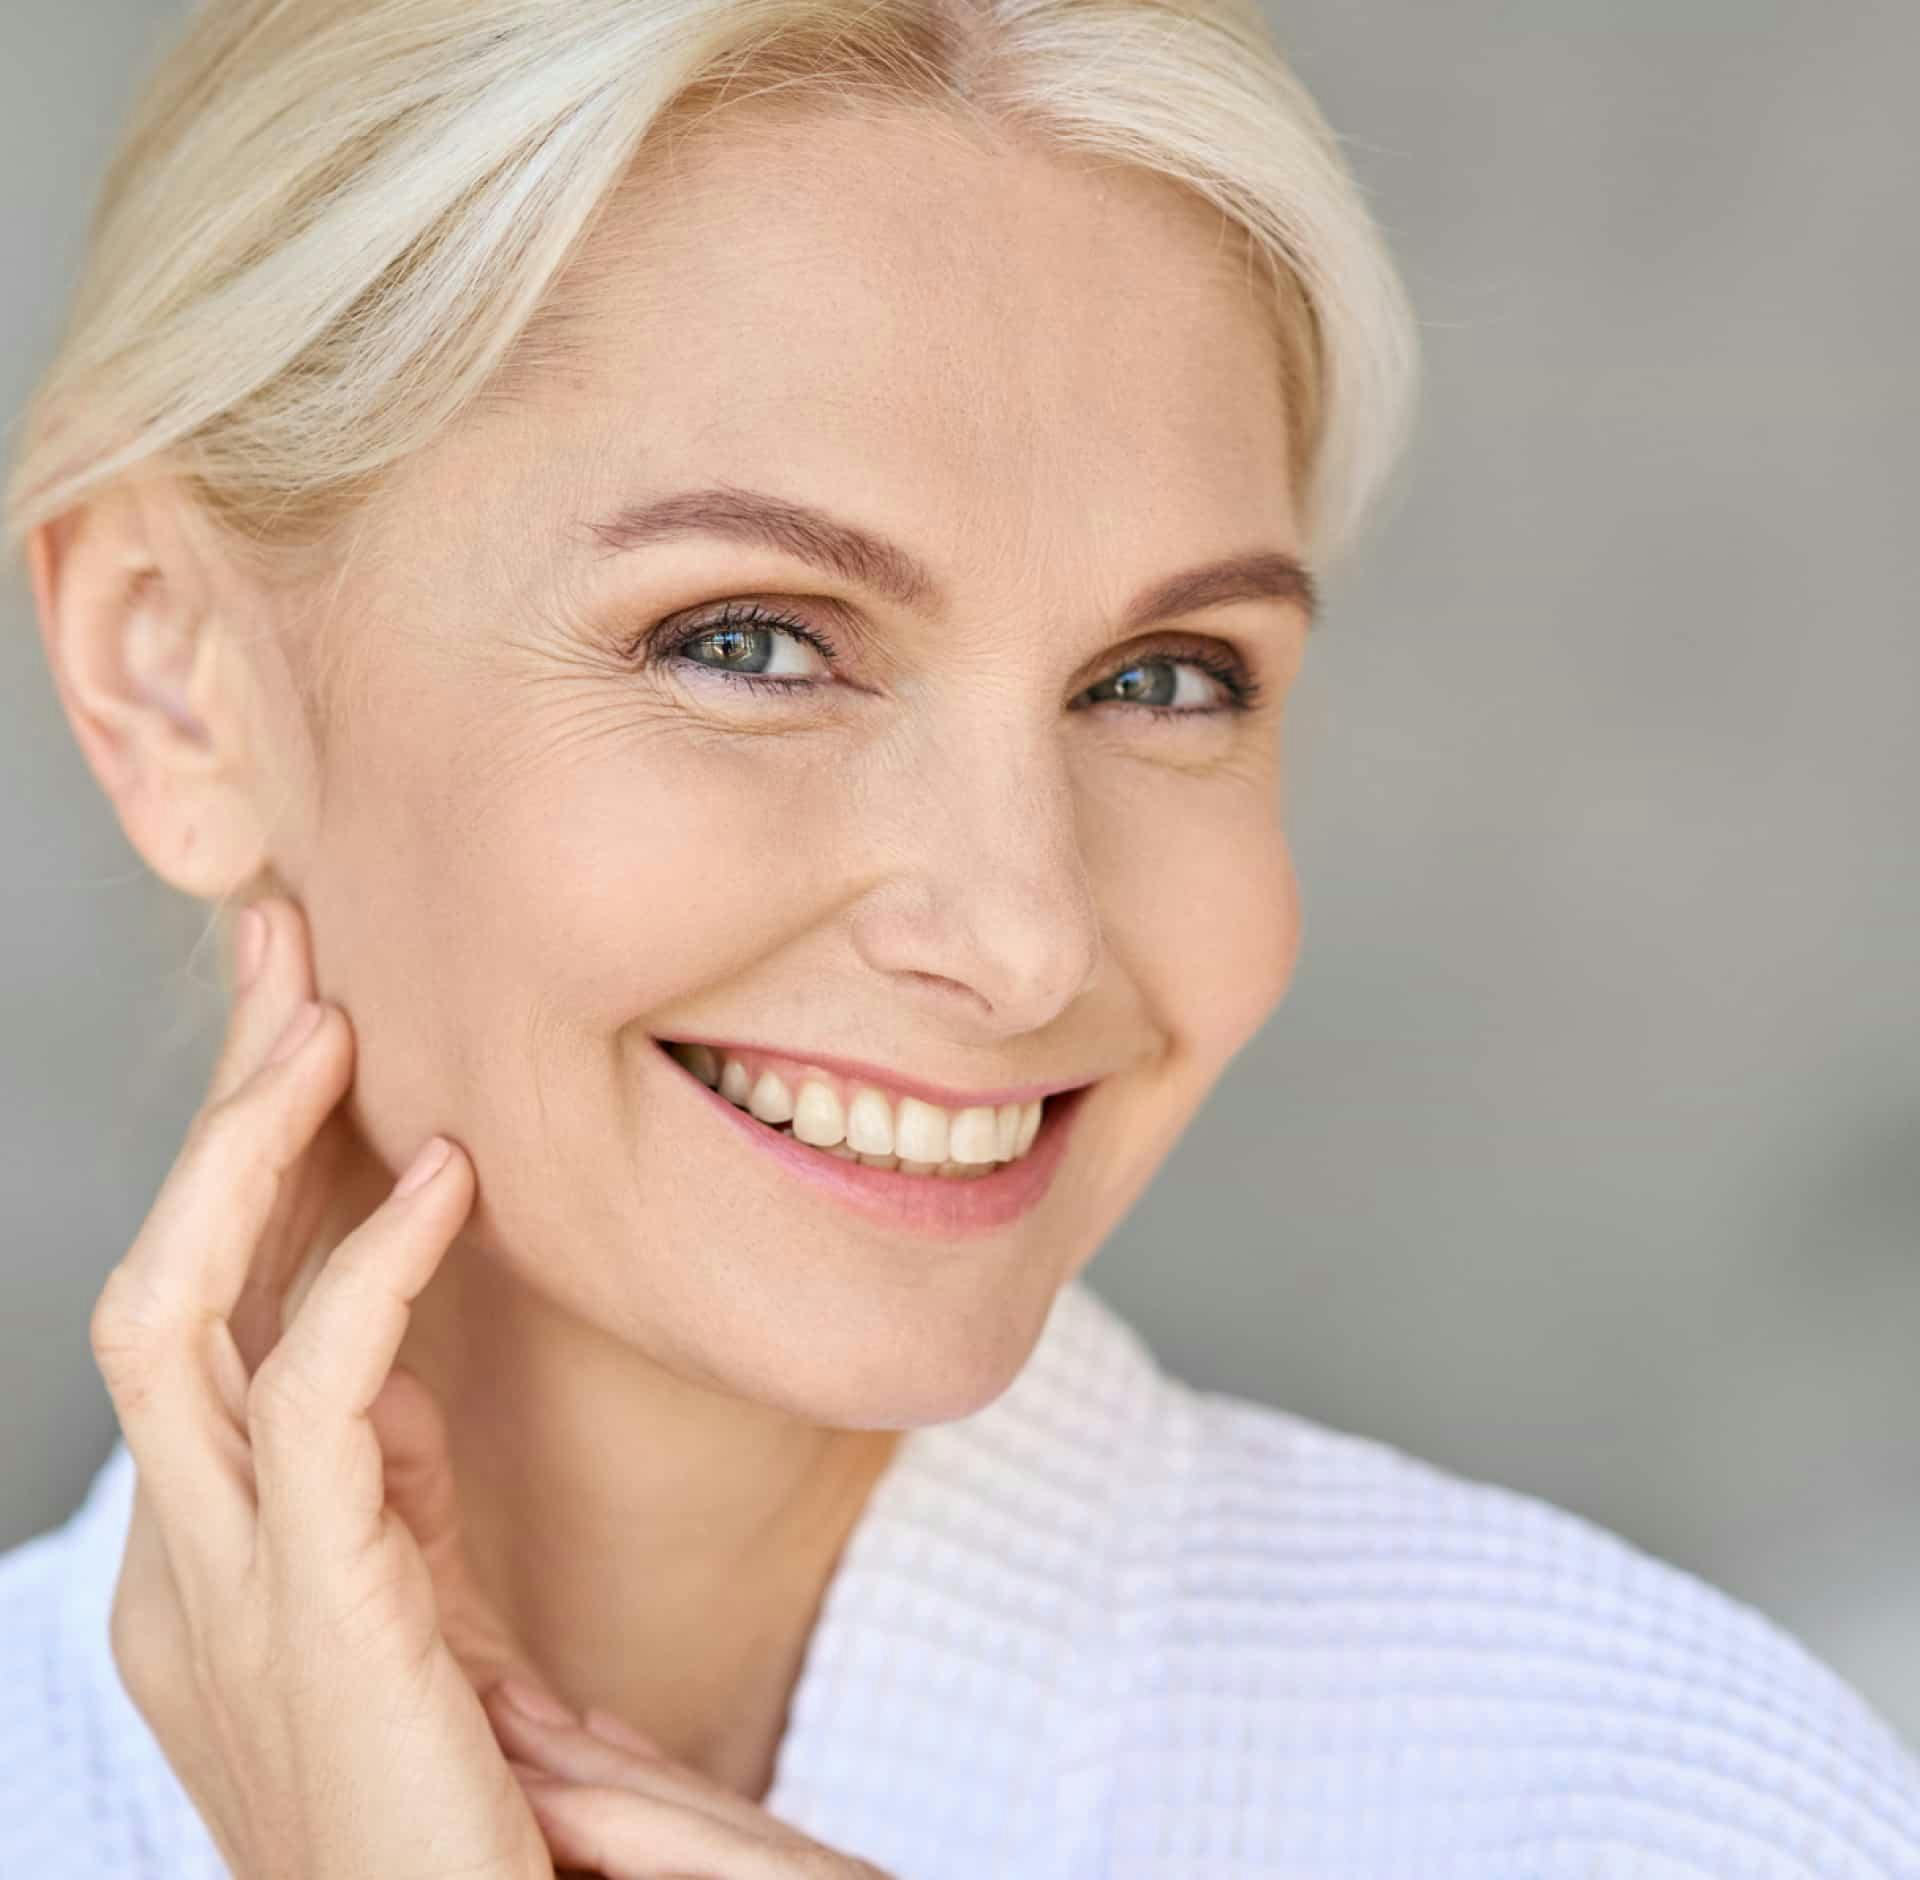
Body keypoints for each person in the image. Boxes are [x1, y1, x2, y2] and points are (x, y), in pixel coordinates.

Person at [3, 0, 1916, 1874]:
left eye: (1163, 679)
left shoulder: (1659, 1810)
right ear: (172, 671)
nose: (1021, 938)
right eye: (749, 641)